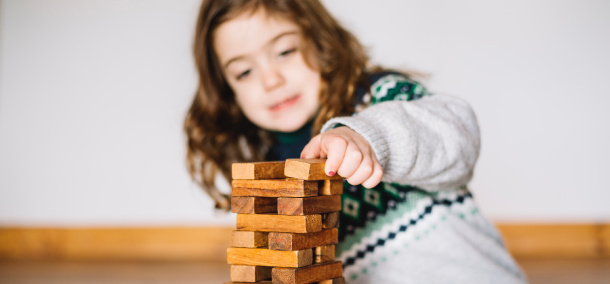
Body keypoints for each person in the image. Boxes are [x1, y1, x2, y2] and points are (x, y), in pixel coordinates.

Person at [184, 0, 527, 283]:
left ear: (320, 42)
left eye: (285, 51)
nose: (271, 80)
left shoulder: (381, 98)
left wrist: (367, 136)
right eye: (244, 72)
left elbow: (458, 136)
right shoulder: (268, 172)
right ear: (227, 92)